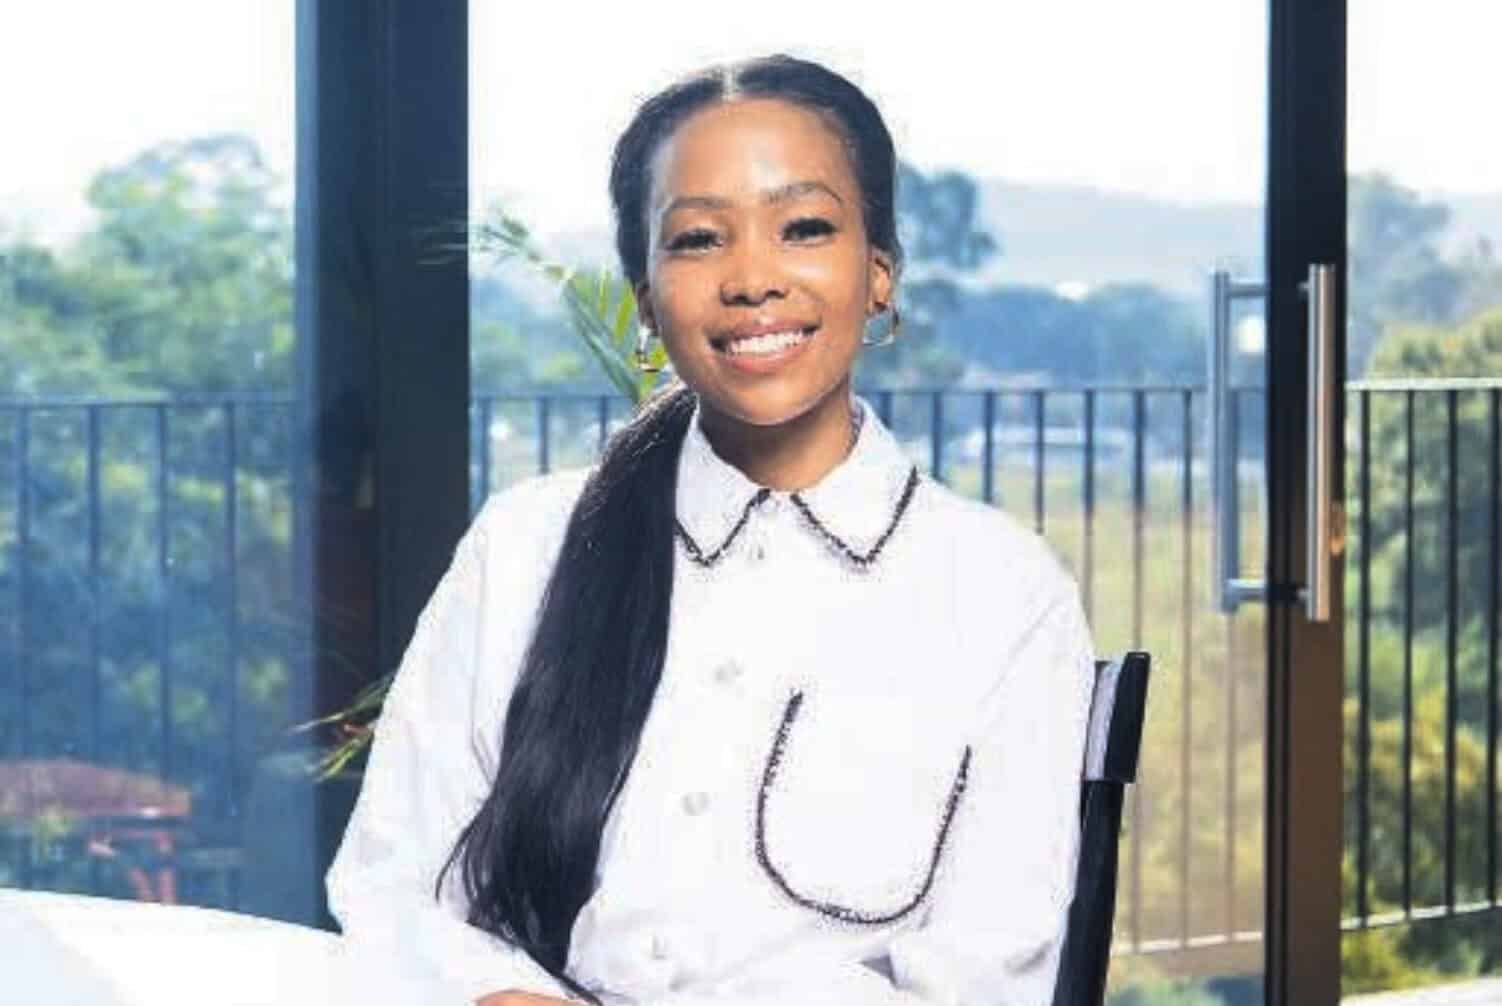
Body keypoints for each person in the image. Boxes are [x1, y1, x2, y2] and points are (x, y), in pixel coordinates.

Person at [325, 53, 1096, 1006]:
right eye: (698, 239)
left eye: (804, 228)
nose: (753, 279)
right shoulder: (524, 547)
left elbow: (987, 976)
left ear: (879, 272)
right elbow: (396, 884)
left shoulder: (1001, 592)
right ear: (646, 298)